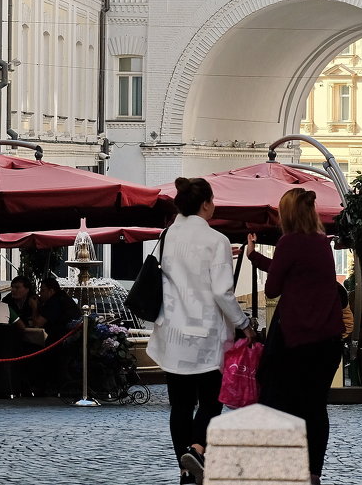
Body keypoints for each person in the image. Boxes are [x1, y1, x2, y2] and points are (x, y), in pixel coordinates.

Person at [147, 177, 255, 485]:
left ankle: (185, 468)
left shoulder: (169, 235)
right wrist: (245, 324)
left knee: (180, 405)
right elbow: (223, 293)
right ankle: (196, 449)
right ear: (206, 203)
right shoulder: (216, 240)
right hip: (206, 334)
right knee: (211, 402)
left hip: (172, 332)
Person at [245, 188, 344, 485]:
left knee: (281, 402)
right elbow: (293, 273)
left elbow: (274, 288)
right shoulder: (322, 243)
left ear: (287, 214)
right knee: (315, 407)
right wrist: (258, 259)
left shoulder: (288, 242)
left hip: (296, 339)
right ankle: (314, 472)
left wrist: (252, 256)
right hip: (327, 340)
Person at [34, 276, 80, 343]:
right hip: (70, 336)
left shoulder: (54, 301)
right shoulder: (62, 297)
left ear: (51, 291)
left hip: (63, 339)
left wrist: (34, 307)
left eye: (43, 290)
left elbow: (38, 323)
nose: (40, 293)